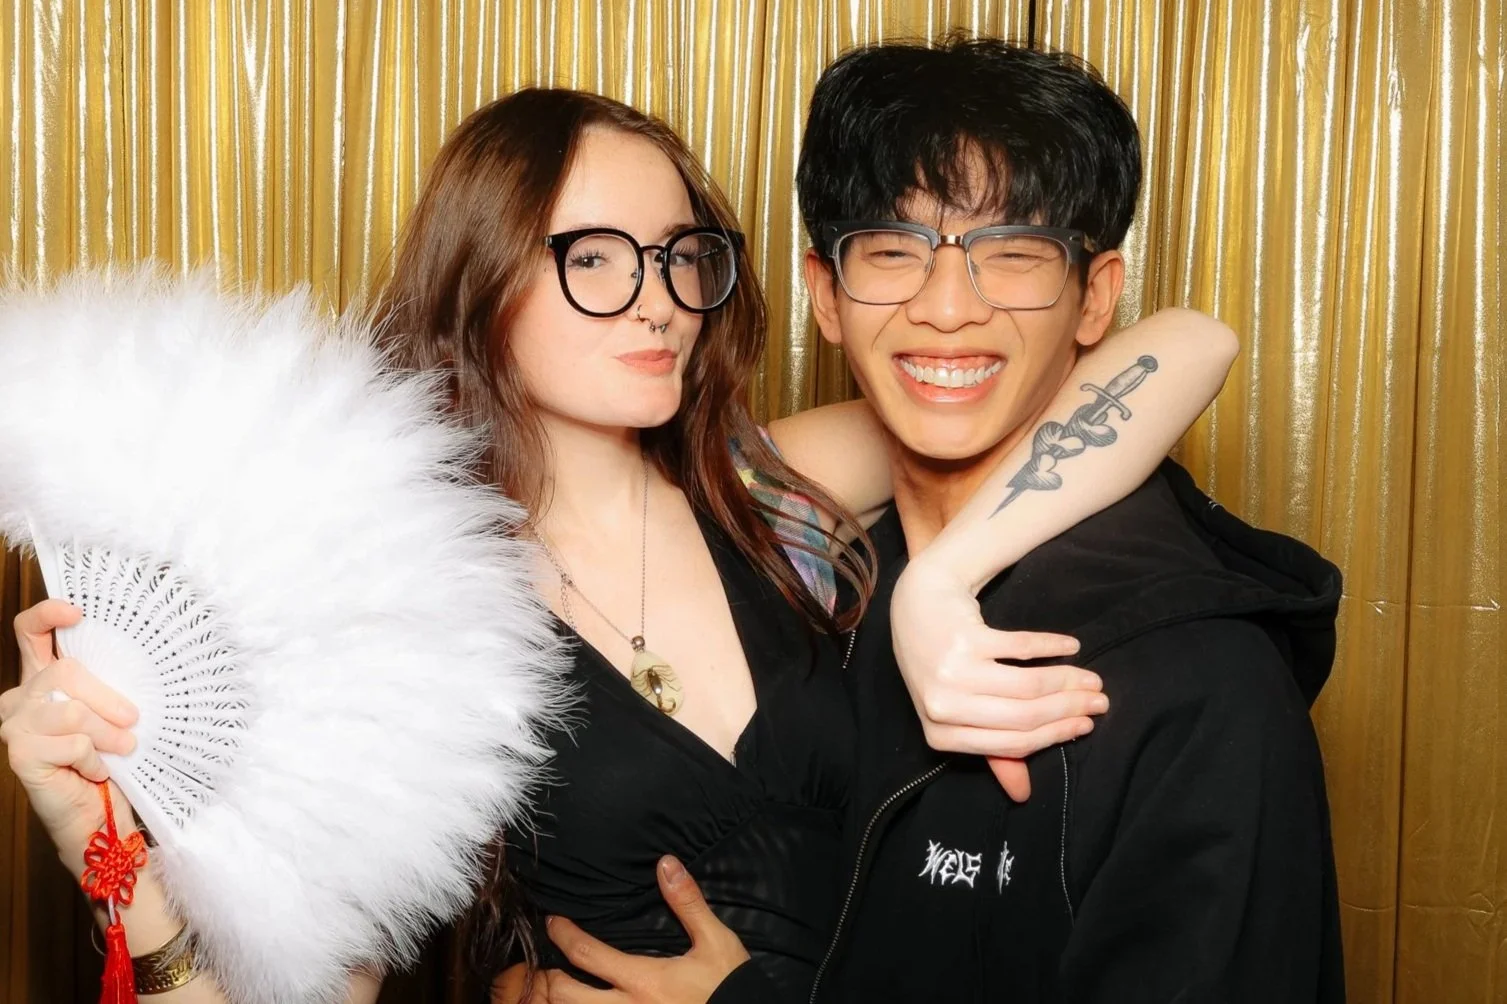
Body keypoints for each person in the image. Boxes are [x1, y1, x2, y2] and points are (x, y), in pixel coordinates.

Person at [0, 86, 1236, 1003]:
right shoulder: (397, 611)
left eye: (681, 254)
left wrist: (942, 583)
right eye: (592, 257)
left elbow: (1179, 346)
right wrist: (109, 860)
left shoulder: (765, 487)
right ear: (483, 275)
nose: (655, 297)